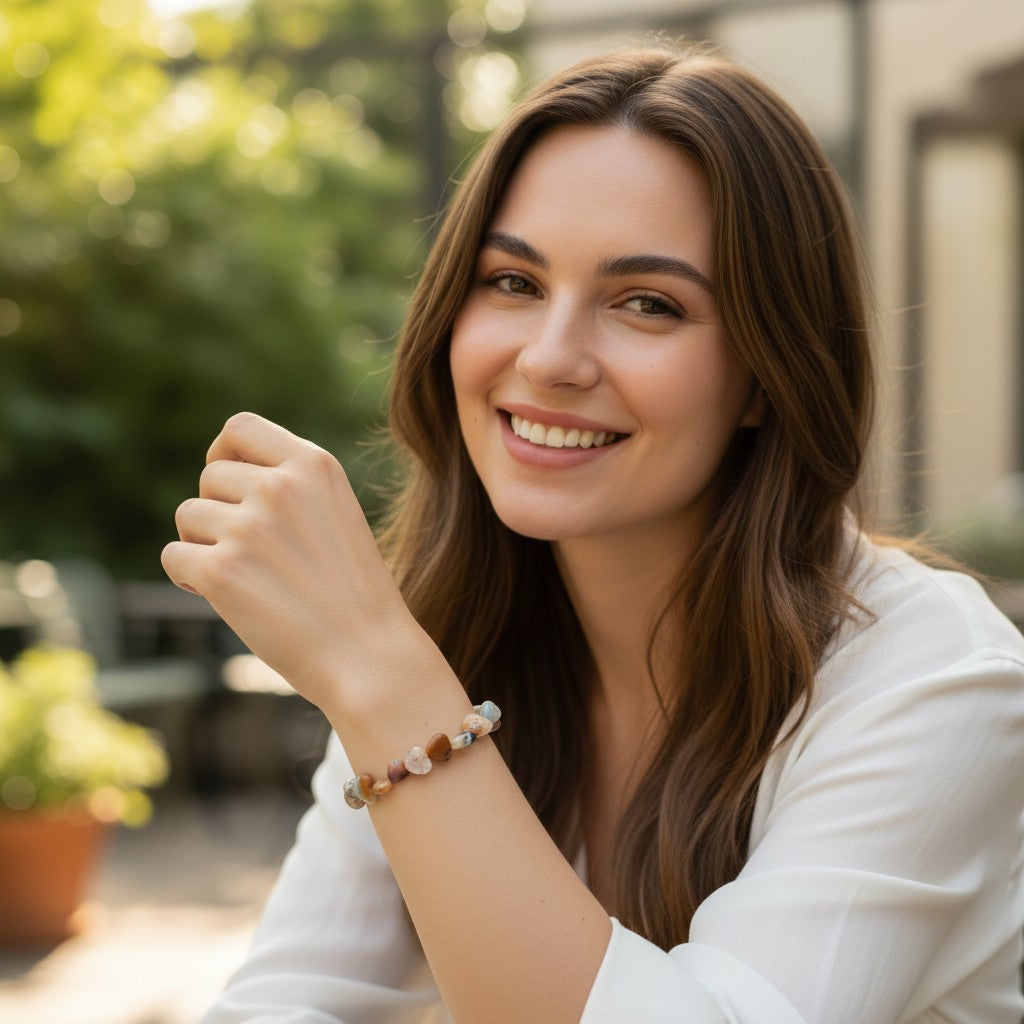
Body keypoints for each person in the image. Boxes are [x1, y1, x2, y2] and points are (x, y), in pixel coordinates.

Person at [162, 44, 1024, 1024]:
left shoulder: (933, 678)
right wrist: (388, 672)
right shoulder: (440, 641)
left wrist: (381, 672)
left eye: (646, 304)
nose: (551, 356)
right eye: (513, 282)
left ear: (763, 374)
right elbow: (290, 1000)